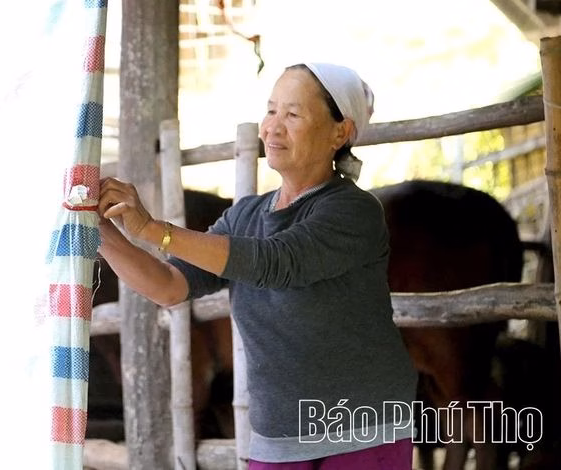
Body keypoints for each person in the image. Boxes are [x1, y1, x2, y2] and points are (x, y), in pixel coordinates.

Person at [97, 62, 418, 469]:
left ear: (340, 133)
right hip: (278, 435)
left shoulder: (354, 211)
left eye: (293, 114)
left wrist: (152, 229)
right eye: (271, 110)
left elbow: (275, 263)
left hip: (363, 430)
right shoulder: (245, 216)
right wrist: (99, 230)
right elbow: (169, 285)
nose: (273, 127)